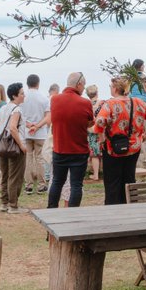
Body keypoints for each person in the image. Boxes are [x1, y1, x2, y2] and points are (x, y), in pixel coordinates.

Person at [95, 75, 146, 205]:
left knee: (112, 181)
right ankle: (130, 205)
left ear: (114, 88)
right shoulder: (138, 102)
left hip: (112, 148)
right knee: (129, 179)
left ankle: (113, 208)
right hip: (134, 147)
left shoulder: (109, 104)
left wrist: (101, 139)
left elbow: (100, 122)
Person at [48, 72, 93, 209]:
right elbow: (90, 123)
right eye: (83, 86)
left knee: (57, 182)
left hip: (60, 149)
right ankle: (72, 214)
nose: (83, 89)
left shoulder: (54, 100)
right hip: (79, 150)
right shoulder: (85, 103)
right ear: (79, 84)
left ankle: (51, 211)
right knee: (76, 185)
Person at [0, 83, 29, 213]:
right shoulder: (17, 110)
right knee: (15, 176)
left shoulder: (4, 108)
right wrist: (21, 145)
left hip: (2, 146)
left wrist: (5, 137)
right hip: (15, 148)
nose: (24, 95)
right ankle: (13, 206)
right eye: (21, 93)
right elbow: (13, 128)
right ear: (15, 96)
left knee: (5, 175)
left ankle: (4, 203)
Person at [21, 74, 51, 194]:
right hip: (40, 133)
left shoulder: (23, 97)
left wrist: (29, 125)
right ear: (38, 83)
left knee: (28, 158)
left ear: (27, 84)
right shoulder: (44, 98)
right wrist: (37, 126)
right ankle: (41, 185)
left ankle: (28, 185)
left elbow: (19, 115)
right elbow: (48, 117)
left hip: (26, 132)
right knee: (40, 159)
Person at [85, 84, 101, 181]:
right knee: (96, 152)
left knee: (93, 152)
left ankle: (95, 174)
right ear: (97, 92)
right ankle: (96, 174)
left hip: (90, 129)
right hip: (100, 129)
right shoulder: (101, 103)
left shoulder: (86, 104)